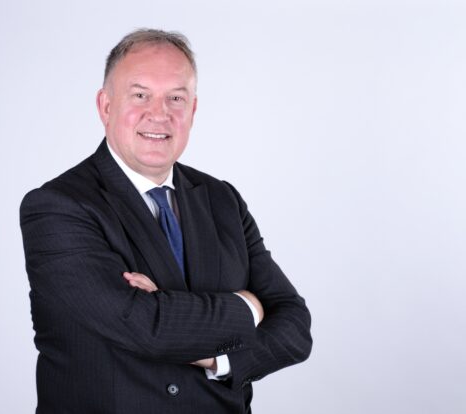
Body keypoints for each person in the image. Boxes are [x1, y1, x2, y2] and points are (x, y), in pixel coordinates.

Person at [20, 28, 312, 414]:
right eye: (140, 95)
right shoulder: (58, 207)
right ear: (105, 106)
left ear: (192, 110)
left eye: (176, 98)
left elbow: (294, 327)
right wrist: (248, 307)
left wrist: (217, 359)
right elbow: (148, 329)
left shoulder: (222, 199)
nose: (159, 114)